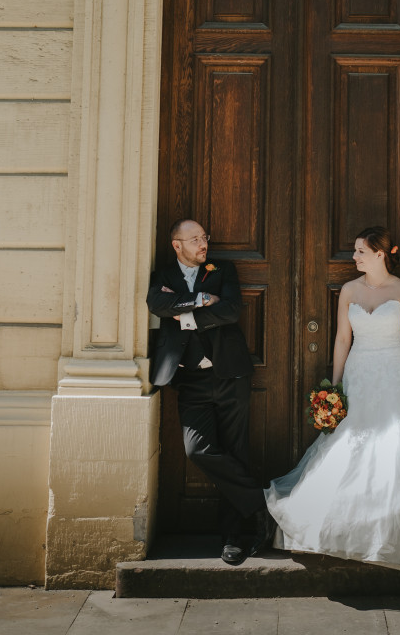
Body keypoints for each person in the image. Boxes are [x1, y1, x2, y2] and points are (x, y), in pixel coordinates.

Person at [265, 226, 400, 572]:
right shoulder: (349, 290)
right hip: (359, 372)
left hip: (396, 373)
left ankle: (389, 535)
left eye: (359, 251)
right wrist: (335, 388)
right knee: (351, 445)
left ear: (379, 255)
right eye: (354, 251)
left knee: (396, 449)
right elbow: (343, 340)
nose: (353, 257)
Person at [146, 218, 274, 565]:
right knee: (196, 450)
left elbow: (230, 310)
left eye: (204, 238)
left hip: (229, 376)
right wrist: (201, 299)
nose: (203, 244)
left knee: (235, 452)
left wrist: (184, 313)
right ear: (177, 245)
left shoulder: (223, 270)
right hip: (190, 381)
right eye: (195, 239)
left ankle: (233, 538)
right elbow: (157, 304)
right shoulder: (162, 276)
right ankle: (260, 502)